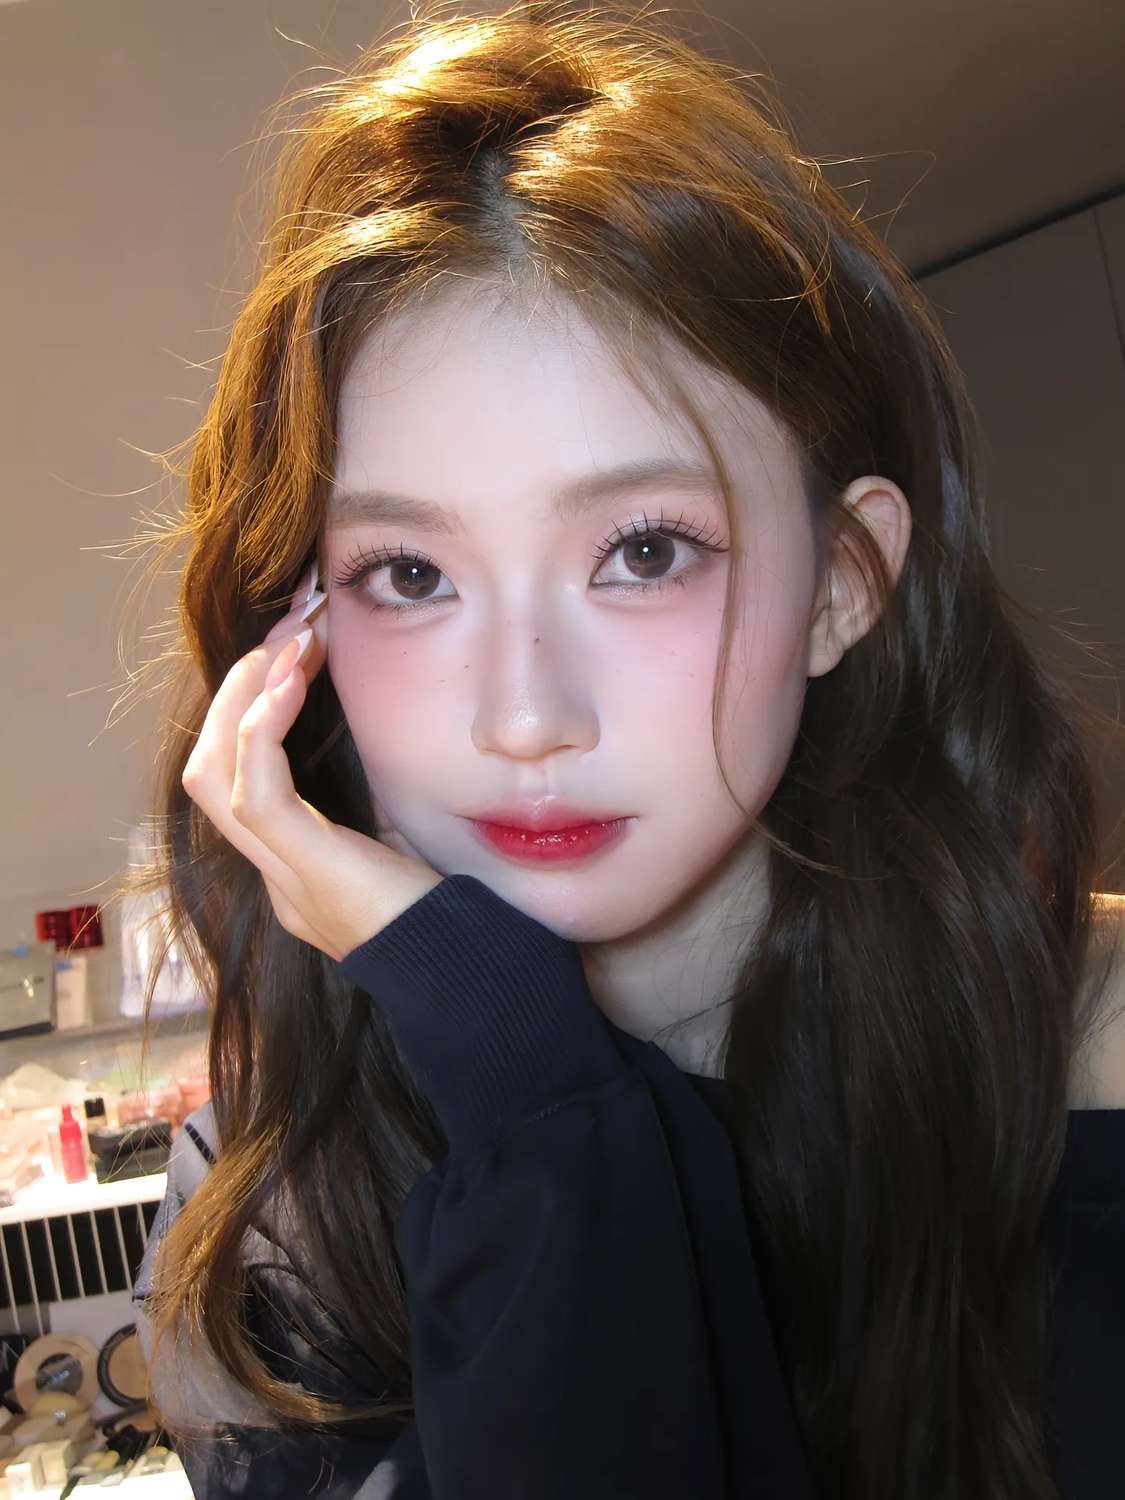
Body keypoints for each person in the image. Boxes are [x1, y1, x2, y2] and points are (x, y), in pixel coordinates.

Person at [118, 3, 1125, 1496]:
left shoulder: (1096, 1045)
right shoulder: (271, 1221)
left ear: (840, 586)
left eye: (645, 550)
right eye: (410, 574)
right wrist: (524, 1079)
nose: (525, 716)